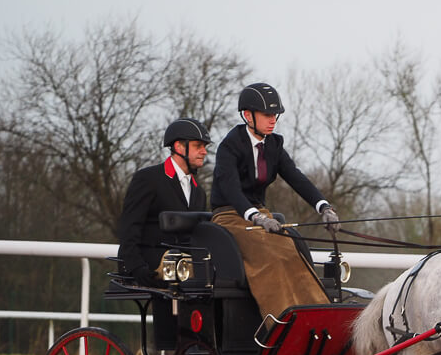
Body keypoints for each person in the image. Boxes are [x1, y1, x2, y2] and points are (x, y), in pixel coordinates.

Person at [210, 82, 339, 323]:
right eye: (267, 115)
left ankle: (319, 319)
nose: (273, 120)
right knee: (270, 259)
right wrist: (255, 216)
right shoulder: (230, 145)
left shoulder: (274, 144)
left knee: (291, 254)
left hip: (261, 215)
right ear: (248, 115)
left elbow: (296, 177)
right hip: (230, 216)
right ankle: (281, 324)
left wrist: (324, 206)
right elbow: (230, 188)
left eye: (275, 115)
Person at [117, 118, 211, 285]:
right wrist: (136, 266)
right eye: (198, 146)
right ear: (178, 147)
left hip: (185, 273)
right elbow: (129, 226)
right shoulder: (148, 178)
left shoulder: (199, 192)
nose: (204, 152)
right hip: (153, 270)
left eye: (205, 147)